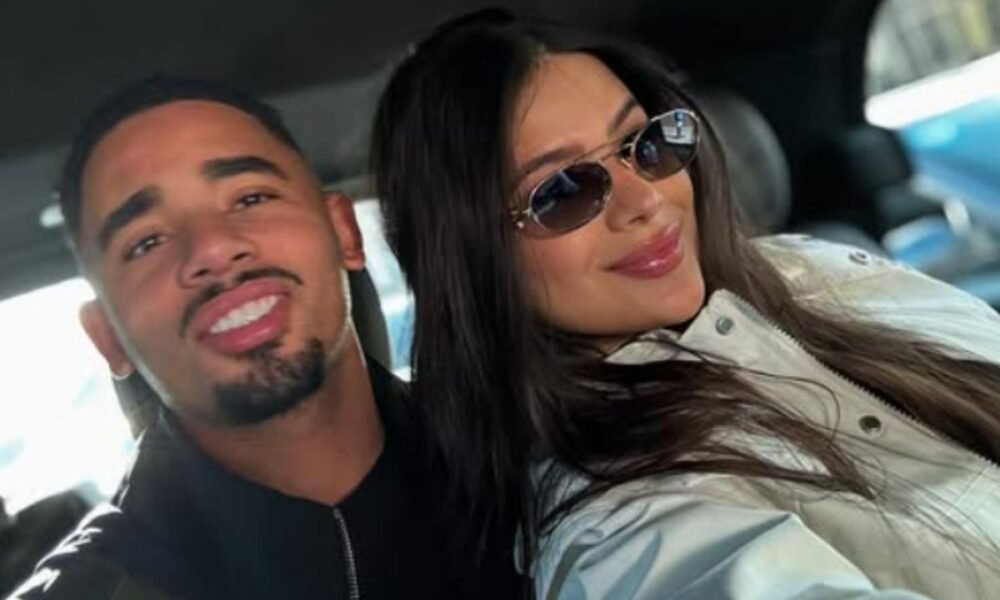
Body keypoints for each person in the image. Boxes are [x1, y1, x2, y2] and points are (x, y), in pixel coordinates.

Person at [371, 10, 1000, 599]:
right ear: (474, 261)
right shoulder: (620, 520)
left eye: (643, 144)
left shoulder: (813, 266)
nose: (644, 199)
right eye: (563, 191)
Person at [9, 77, 521, 600]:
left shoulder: (534, 466)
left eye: (251, 197)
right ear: (107, 337)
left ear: (344, 232)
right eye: (147, 242)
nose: (212, 249)